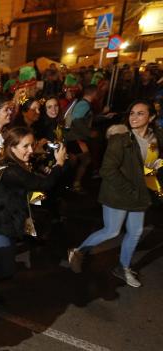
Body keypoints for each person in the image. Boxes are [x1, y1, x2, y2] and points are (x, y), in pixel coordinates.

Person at [0, 127, 67, 303]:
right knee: (7, 268)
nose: (31, 150)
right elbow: (44, 184)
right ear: (12, 147)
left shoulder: (6, 159)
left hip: (6, 219)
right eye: (26, 146)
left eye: (32, 145)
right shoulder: (12, 171)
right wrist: (59, 164)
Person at [68, 101, 163, 287]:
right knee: (112, 231)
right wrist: (132, 189)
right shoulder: (121, 140)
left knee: (135, 233)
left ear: (151, 118)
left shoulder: (156, 138)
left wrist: (155, 167)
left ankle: (123, 267)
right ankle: (78, 251)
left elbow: (147, 164)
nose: (133, 117)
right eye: (132, 113)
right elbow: (107, 171)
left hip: (139, 193)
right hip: (118, 193)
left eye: (140, 114)